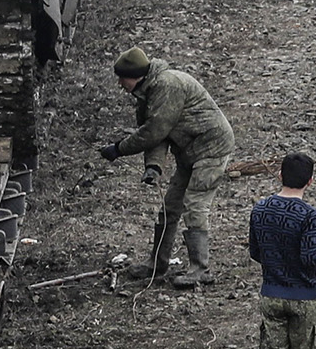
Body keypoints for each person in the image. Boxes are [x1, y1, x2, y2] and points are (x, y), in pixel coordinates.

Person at [98, 47, 236, 287]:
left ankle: (200, 270)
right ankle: (158, 263)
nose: (120, 83)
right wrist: (153, 167)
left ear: (136, 75)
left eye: (122, 78)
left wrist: (119, 149)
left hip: (210, 149)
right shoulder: (148, 91)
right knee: (169, 208)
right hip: (189, 152)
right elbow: (158, 134)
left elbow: (153, 132)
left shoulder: (166, 86)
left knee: (195, 206)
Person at [249, 153, 316, 349]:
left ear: (280, 175)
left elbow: (255, 253)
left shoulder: (260, 209)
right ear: (310, 181)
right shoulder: (310, 215)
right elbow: (310, 257)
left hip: (271, 295)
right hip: (305, 298)